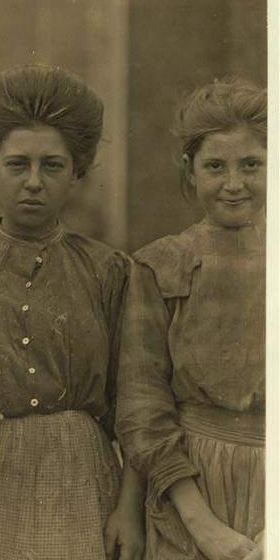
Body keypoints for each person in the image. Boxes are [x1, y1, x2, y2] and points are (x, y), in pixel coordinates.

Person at [0, 65, 145, 559]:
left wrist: (128, 509)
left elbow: (135, 401)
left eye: (52, 166)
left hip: (79, 479)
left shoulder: (110, 271)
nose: (33, 182)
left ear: (78, 175)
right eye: (16, 164)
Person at [116, 79, 266, 560]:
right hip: (187, 489)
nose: (235, 183)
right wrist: (204, 528)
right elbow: (142, 405)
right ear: (190, 170)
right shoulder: (160, 266)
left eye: (252, 165)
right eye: (215, 166)